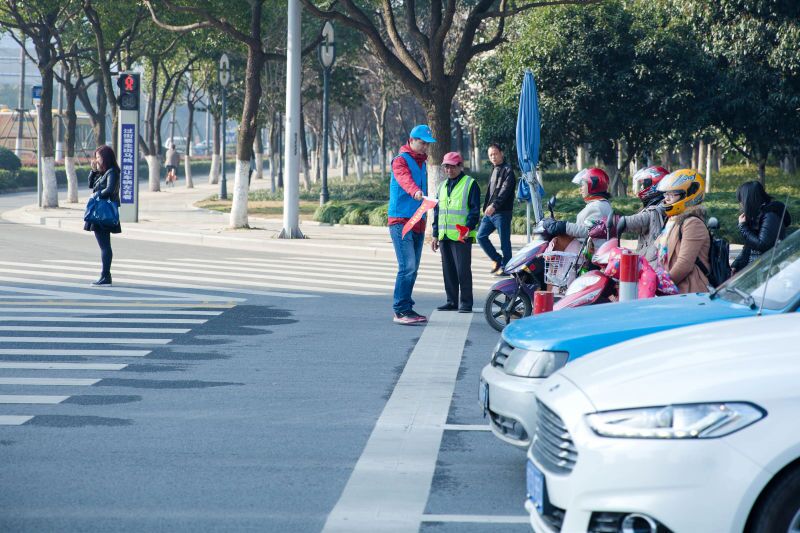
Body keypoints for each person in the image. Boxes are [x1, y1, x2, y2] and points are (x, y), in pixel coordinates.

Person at [388, 124, 435, 325]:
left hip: (418, 221)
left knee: (413, 269)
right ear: (412, 140)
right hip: (401, 221)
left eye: (427, 144)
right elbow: (404, 179)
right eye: (422, 143)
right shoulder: (400, 160)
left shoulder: (423, 163)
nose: (425, 147)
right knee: (406, 266)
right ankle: (400, 311)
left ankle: (407, 307)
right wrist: (414, 191)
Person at [431, 152, 481, 313]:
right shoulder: (441, 186)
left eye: (452, 166)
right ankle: (451, 301)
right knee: (448, 271)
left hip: (462, 235)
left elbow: (474, 210)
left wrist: (468, 228)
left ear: (460, 166)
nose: (449, 170)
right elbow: (437, 212)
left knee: (462, 270)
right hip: (444, 235)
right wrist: (435, 234)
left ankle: (466, 303)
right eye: (446, 167)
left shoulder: (470, 184)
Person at [654, 169, 709, 293]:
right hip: (672, 289)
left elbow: (684, 264)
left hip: (689, 291)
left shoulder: (693, 223)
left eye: (672, 194)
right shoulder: (672, 220)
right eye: (666, 194)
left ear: (688, 195)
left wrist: (662, 285)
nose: (666, 199)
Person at [731, 181, 792, 273]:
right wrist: (736, 265)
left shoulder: (770, 216)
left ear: (749, 200)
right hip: (757, 268)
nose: (740, 204)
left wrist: (743, 227)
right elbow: (749, 246)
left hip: (766, 272)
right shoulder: (757, 215)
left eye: (741, 200)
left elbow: (762, 245)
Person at [542, 167, 613, 244]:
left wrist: (564, 226)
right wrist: (559, 225)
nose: (580, 189)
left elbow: (590, 231)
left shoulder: (598, 206)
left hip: (592, 250)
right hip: (589, 248)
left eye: (582, 185)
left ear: (592, 185)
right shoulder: (599, 204)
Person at [614, 166, 669, 264]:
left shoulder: (660, 207)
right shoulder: (655, 204)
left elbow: (642, 219)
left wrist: (619, 221)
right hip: (647, 259)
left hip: (654, 263)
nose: (642, 188)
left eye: (644, 184)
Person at [83, 145, 121, 286]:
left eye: (98, 157)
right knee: (104, 245)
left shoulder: (112, 172)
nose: (96, 159)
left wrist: (97, 195)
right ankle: (105, 276)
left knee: (105, 246)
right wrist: (94, 170)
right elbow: (90, 185)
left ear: (106, 157)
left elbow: (109, 190)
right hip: (99, 211)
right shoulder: (103, 172)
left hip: (103, 212)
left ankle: (105, 276)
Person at [477, 143, 516, 275]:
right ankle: (498, 260)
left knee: (505, 242)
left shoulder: (508, 171)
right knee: (480, 236)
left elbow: (504, 192)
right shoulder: (494, 169)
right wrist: (486, 206)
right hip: (490, 212)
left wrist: (494, 205)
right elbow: (491, 192)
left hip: (502, 212)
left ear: (501, 154)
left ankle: (507, 268)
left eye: (495, 154)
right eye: (490, 155)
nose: (493, 157)